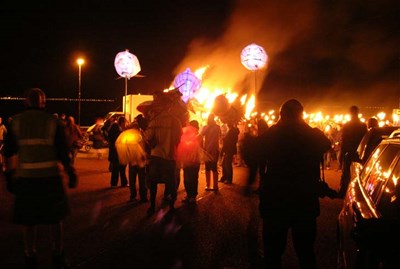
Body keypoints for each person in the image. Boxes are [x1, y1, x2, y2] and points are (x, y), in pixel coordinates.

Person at [3, 88, 78, 269]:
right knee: (56, 219)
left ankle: (30, 256)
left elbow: (8, 151)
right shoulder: (53, 122)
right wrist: (70, 171)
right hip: (50, 179)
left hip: (26, 179)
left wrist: (9, 175)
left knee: (28, 221)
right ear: (43, 102)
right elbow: (62, 152)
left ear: (26, 102)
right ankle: (58, 256)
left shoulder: (16, 122)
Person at [258, 99, 331, 269]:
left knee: (273, 254)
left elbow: (254, 150)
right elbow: (325, 143)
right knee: (306, 252)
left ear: (282, 115)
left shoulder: (274, 134)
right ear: (301, 115)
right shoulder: (311, 134)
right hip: (304, 201)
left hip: (276, 201)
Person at [144, 106, 182, 214]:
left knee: (153, 182)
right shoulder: (176, 121)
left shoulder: (154, 121)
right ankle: (171, 206)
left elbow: (147, 138)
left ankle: (152, 206)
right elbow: (178, 139)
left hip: (156, 156)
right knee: (171, 182)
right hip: (170, 157)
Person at [338, 105, 367, 197]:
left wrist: (341, 154)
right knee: (358, 174)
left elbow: (344, 140)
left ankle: (343, 191)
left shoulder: (347, 125)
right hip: (359, 153)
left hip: (348, 152)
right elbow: (365, 140)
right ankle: (358, 194)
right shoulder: (362, 125)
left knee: (346, 173)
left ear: (350, 113)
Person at [177, 120, 202, 204]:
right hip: (194, 161)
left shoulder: (195, 137)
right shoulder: (197, 136)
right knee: (193, 179)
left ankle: (191, 196)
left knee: (189, 179)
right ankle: (191, 196)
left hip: (189, 161)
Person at [128, 115, 148, 203]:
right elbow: (147, 145)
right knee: (142, 179)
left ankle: (133, 196)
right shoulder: (142, 135)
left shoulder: (129, 137)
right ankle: (143, 197)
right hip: (140, 160)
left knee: (133, 179)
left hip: (133, 160)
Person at [200, 113, 221, 191]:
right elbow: (201, 134)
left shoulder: (217, 127)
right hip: (207, 151)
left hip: (214, 150)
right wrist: (208, 126)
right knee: (207, 168)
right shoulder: (206, 127)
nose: (210, 120)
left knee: (214, 168)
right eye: (210, 118)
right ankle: (208, 185)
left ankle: (215, 185)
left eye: (212, 118)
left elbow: (216, 139)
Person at [108, 116, 129, 187]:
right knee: (117, 168)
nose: (125, 125)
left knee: (121, 168)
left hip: (118, 151)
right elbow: (117, 139)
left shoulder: (117, 127)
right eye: (125, 123)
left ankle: (123, 183)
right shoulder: (115, 128)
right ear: (122, 122)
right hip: (116, 152)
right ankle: (115, 183)